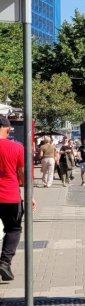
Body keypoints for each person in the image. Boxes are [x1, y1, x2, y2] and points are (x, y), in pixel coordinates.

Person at [0, 117, 34, 284]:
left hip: (8, 195)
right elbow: (23, 173)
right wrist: (30, 196)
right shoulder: (16, 148)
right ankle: (5, 262)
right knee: (13, 229)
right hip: (9, 197)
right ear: (7, 130)